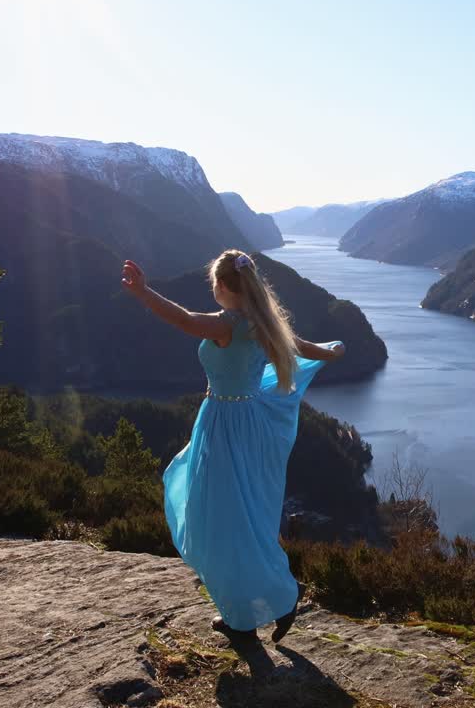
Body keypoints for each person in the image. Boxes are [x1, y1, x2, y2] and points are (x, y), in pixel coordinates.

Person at [120, 250, 345, 643]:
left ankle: (270, 602)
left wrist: (143, 292)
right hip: (247, 423)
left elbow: (185, 320)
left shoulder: (228, 324)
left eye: (214, 285)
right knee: (242, 517)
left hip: (224, 425)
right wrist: (331, 353)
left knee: (220, 518)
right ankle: (244, 612)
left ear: (223, 286)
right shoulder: (263, 322)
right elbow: (301, 347)